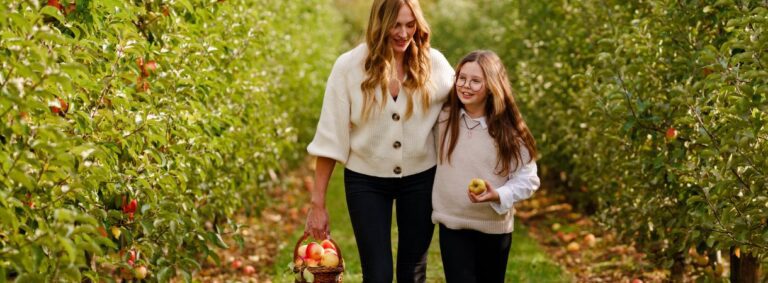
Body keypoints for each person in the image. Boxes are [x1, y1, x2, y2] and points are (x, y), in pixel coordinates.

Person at [304, 0, 454, 282]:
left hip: (421, 179)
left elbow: (466, 105)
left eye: (410, 25)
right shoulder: (348, 67)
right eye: (395, 25)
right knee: (378, 274)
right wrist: (318, 204)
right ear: (379, 24)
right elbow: (330, 138)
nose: (403, 33)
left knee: (413, 272)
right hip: (366, 180)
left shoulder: (434, 64)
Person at [431, 50, 540, 283]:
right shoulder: (443, 119)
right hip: (453, 224)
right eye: (462, 78)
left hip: (494, 229)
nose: (465, 86)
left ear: (491, 86)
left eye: (475, 81)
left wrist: (498, 194)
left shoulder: (508, 132)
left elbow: (528, 179)